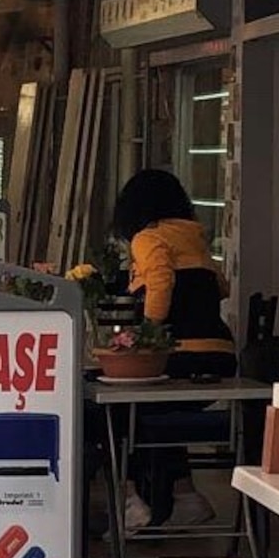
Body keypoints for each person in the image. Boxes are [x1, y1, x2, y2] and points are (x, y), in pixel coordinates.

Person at [113, 168, 237, 532]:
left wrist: (148, 333)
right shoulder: (193, 237)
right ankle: (186, 497)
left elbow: (161, 281)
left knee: (122, 411)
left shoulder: (148, 238)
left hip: (178, 353)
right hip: (219, 354)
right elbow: (221, 286)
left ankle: (131, 498)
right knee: (157, 414)